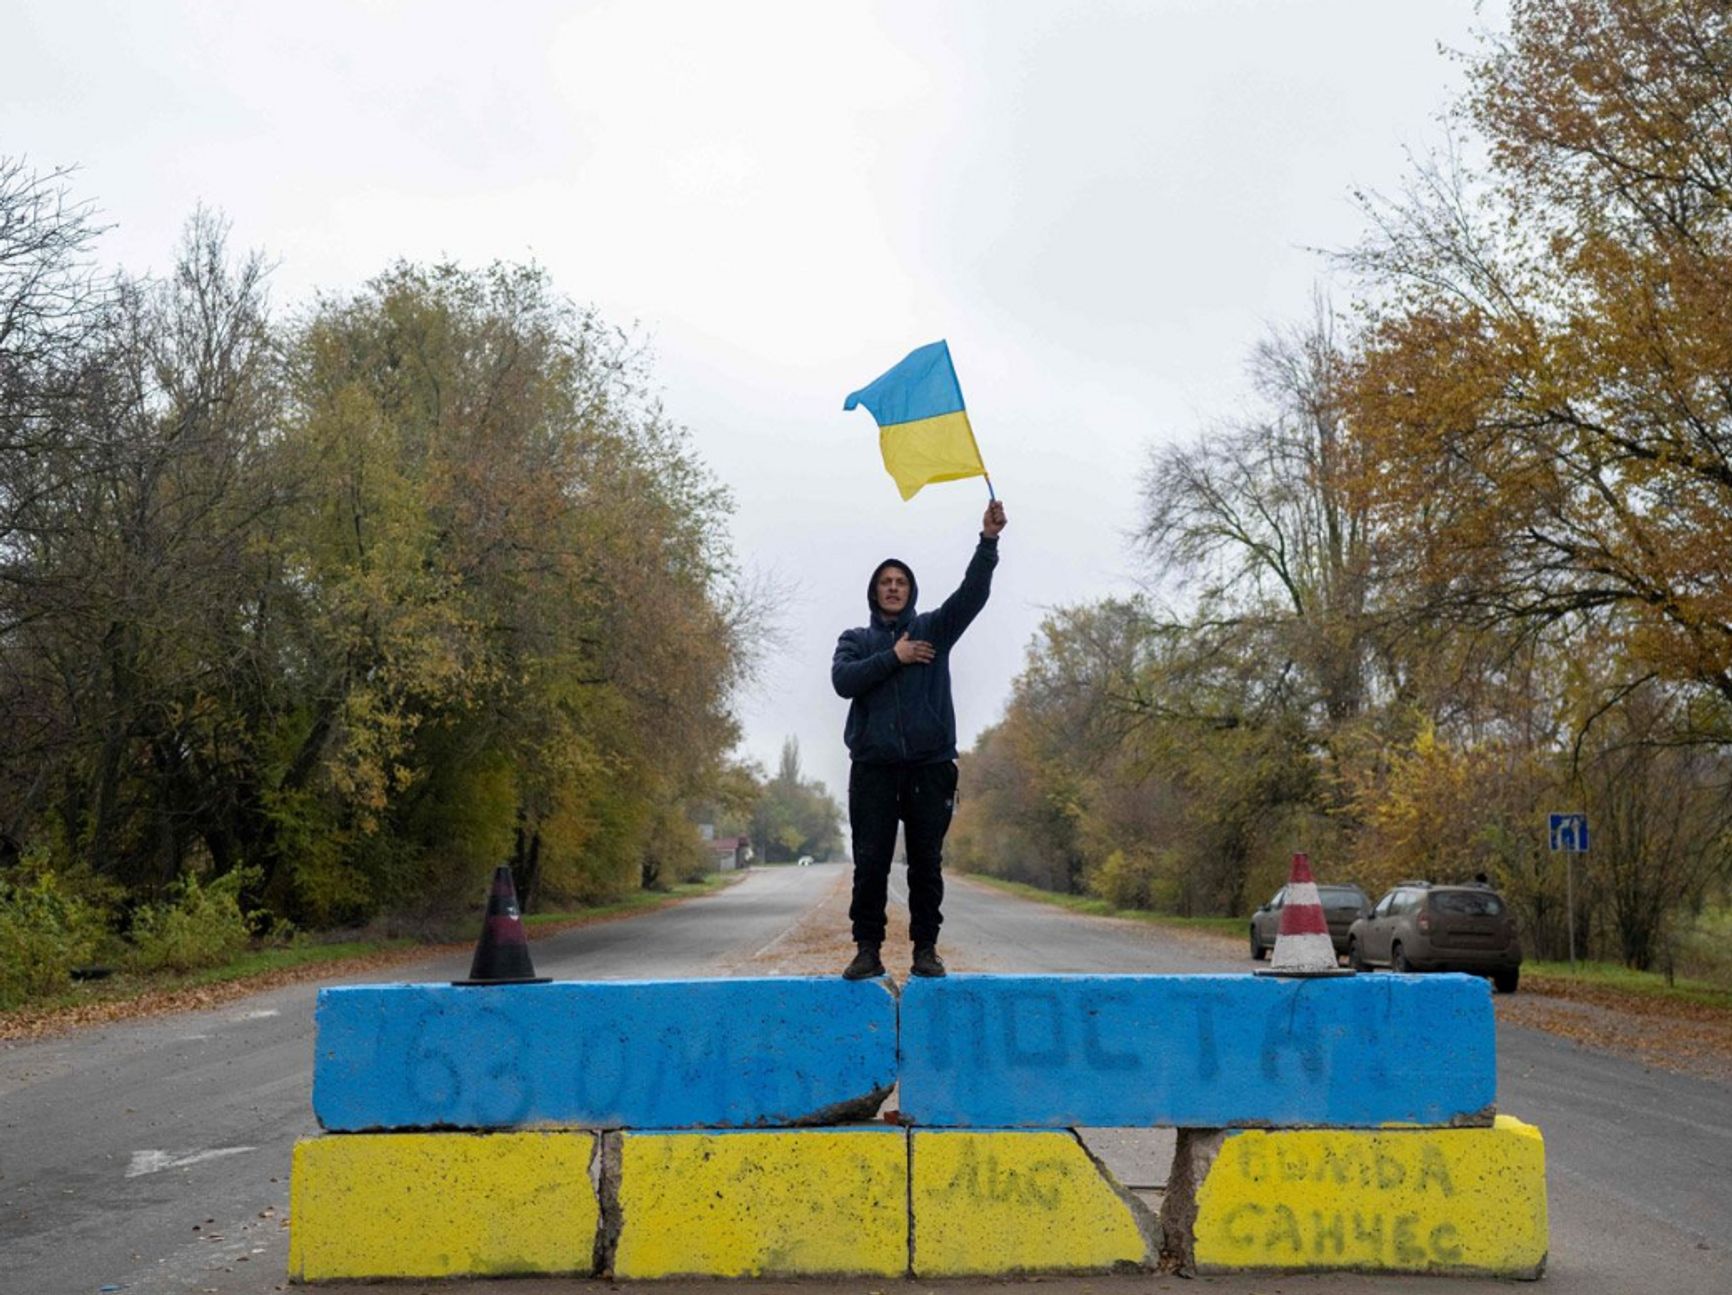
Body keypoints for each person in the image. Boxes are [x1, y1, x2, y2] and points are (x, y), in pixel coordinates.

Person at [830, 500, 1006, 979]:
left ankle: (925, 949)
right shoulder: (856, 640)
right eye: (885, 582)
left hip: (930, 765)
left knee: (926, 865)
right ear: (874, 592)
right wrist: (896, 656)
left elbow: (971, 595)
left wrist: (987, 542)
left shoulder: (934, 630)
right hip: (874, 768)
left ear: (910, 592)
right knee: (871, 864)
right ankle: (867, 950)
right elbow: (843, 681)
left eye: (900, 582)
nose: (893, 588)